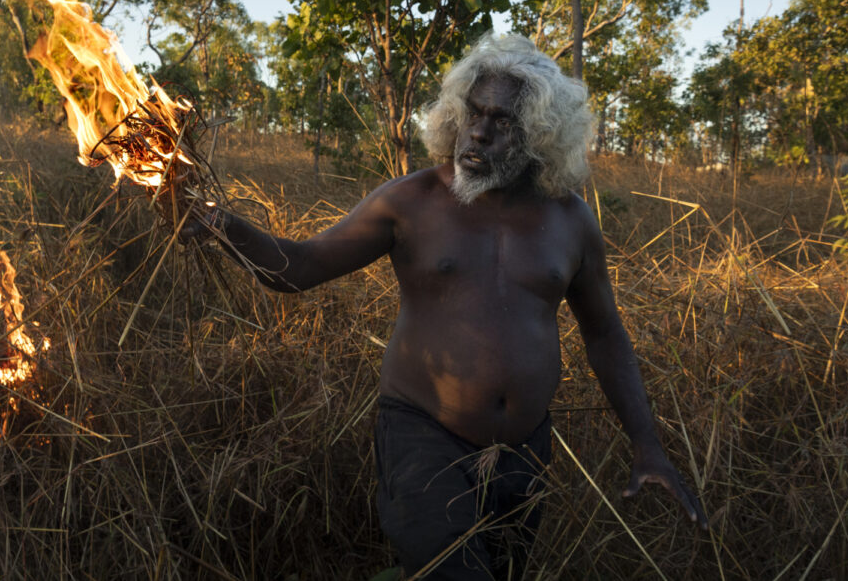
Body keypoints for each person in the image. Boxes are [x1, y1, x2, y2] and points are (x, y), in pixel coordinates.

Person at [186, 34, 707, 579]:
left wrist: (647, 446)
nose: (478, 132)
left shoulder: (570, 220)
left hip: (524, 452)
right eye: (472, 113)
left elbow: (604, 335)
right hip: (423, 436)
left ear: (540, 135)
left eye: (502, 121)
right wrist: (225, 225)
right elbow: (298, 267)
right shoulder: (410, 201)